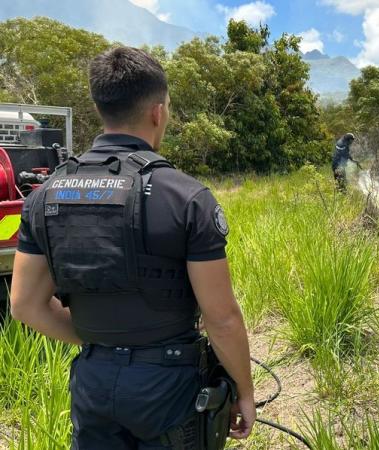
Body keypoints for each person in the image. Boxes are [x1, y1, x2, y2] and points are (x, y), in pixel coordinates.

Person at [9, 47, 255, 449]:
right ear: (158, 111)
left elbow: (24, 305)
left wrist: (98, 342)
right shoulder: (186, 197)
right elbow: (221, 318)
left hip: (92, 382)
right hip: (169, 386)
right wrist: (244, 391)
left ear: (99, 105)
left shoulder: (44, 195)